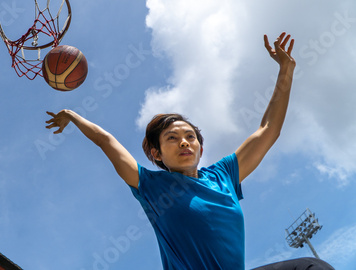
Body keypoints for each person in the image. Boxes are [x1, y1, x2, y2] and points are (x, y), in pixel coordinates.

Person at [45, 33, 334, 270]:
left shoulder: (223, 176)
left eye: (190, 136)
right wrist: (72, 114)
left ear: (200, 146)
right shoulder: (151, 187)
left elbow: (268, 129)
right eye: (172, 138)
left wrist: (286, 70)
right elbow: (107, 141)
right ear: (157, 154)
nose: (184, 142)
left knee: (312, 268)